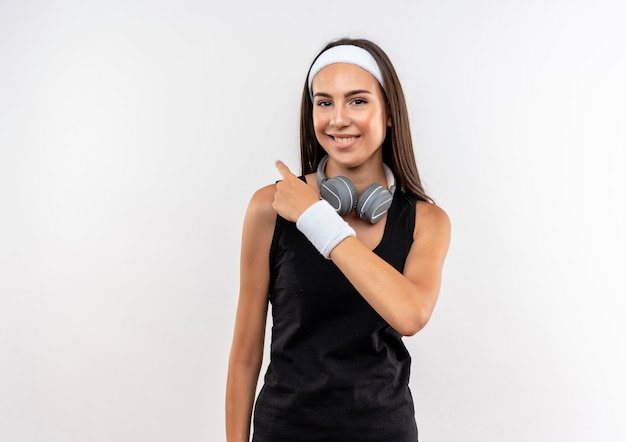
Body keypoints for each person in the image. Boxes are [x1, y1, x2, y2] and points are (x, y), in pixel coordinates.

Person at [226, 38, 451, 442]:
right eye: (324, 102)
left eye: (358, 101)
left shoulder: (426, 220)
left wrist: (316, 218)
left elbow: (411, 314)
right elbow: (245, 358)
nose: (338, 119)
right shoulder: (270, 207)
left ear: (390, 113)